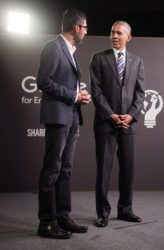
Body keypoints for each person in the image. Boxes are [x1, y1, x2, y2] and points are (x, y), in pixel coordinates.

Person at [37, 9, 91, 239]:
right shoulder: (52, 47)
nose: (87, 32)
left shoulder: (70, 50)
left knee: (65, 170)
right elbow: (43, 81)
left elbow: (64, 81)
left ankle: (63, 217)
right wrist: (73, 95)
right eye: (86, 27)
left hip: (72, 117)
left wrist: (79, 94)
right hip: (58, 118)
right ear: (76, 28)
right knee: (52, 170)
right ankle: (46, 223)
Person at [90, 21, 145, 227]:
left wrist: (130, 116)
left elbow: (140, 93)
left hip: (129, 124)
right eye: (112, 32)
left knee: (127, 169)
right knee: (104, 170)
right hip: (106, 123)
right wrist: (111, 115)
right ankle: (102, 213)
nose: (114, 36)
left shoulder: (137, 61)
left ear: (128, 37)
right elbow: (96, 93)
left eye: (119, 33)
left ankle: (125, 210)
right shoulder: (98, 59)